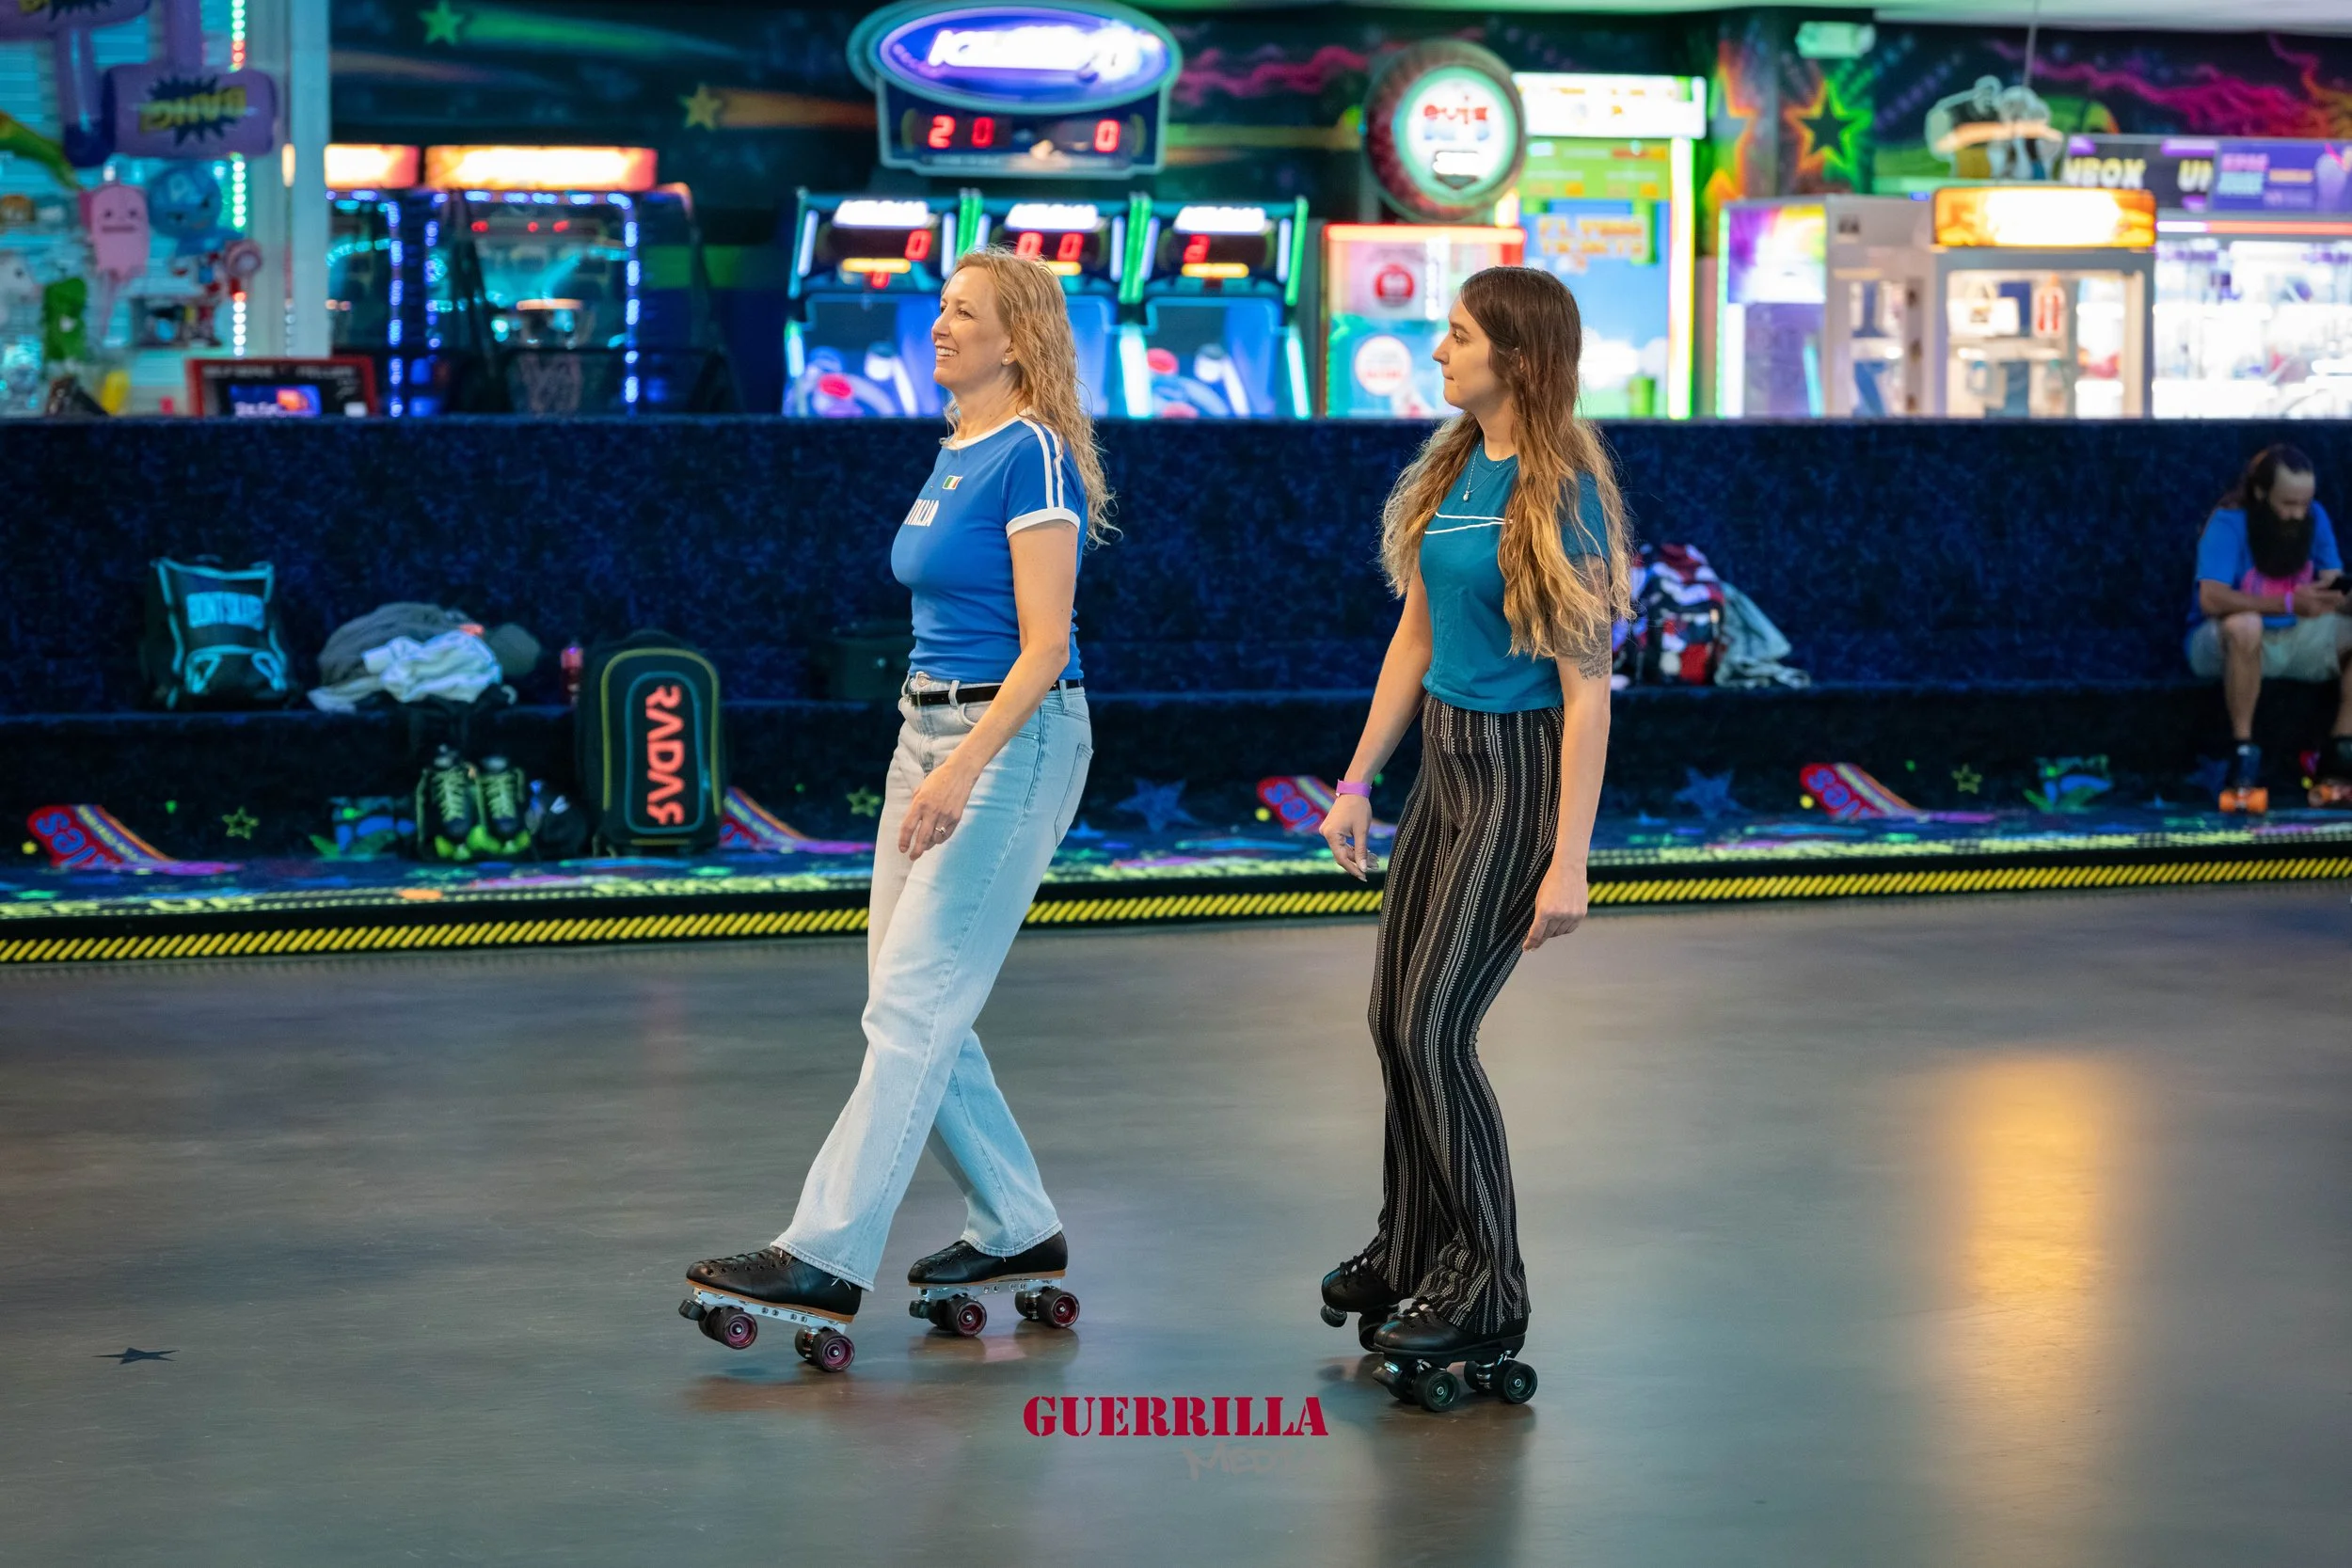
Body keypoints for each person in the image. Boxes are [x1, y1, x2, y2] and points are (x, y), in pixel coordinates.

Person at [685, 248, 1106, 1338]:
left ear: (1016, 340)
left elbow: (1047, 644)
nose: (938, 326)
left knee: (911, 1004)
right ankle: (1015, 1220)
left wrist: (961, 771)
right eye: (940, 310)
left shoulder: (1034, 456)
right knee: (915, 1003)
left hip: (1008, 743)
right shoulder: (954, 450)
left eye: (962, 313)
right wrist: (924, 750)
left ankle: (822, 1252)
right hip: (925, 732)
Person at [1315, 266, 1631, 1365]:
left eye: (1456, 336)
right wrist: (1356, 783)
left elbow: (1589, 689)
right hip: (1443, 770)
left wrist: (1569, 860)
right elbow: (1413, 641)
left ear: (1518, 359)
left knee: (1433, 1026)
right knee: (1387, 1017)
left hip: (1519, 773)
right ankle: (1411, 1247)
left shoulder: (1565, 494)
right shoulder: (1454, 468)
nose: (1437, 351)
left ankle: (1489, 1282)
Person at [2185, 444, 2352, 797]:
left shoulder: (2315, 518)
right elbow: (2211, 598)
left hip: (2297, 638)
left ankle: (2340, 754)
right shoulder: (2228, 522)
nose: (2297, 514)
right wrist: (2288, 602)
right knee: (2245, 624)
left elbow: (2333, 582)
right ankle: (2242, 752)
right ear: (2261, 493)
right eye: (2288, 504)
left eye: (2303, 504)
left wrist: (2337, 596)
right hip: (2222, 643)